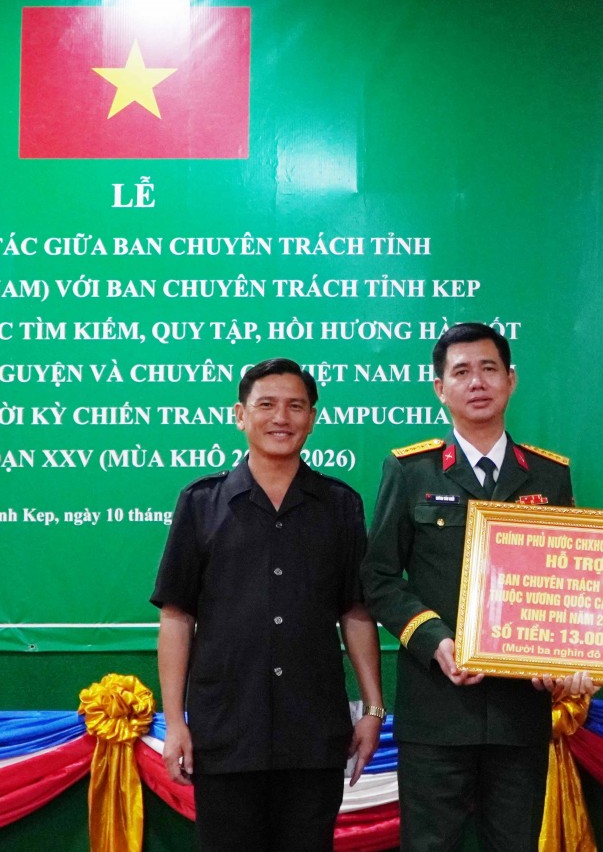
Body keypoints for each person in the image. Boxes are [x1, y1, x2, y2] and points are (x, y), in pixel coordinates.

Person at [361, 322, 593, 852]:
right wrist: (434, 640)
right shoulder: (411, 470)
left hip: (520, 711)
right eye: (461, 372)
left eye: (489, 369)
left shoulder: (549, 476)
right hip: (437, 709)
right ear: (440, 389)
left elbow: (569, 583)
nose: (477, 382)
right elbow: (379, 577)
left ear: (511, 380)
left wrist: (564, 655)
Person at [151, 358, 384, 852]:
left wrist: (372, 709)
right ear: (240, 415)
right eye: (267, 405)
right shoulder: (201, 503)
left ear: (312, 419)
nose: (282, 418)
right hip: (225, 732)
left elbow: (357, 613)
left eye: (296, 406)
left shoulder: (340, 505)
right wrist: (175, 724)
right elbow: (176, 617)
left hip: (314, 733)